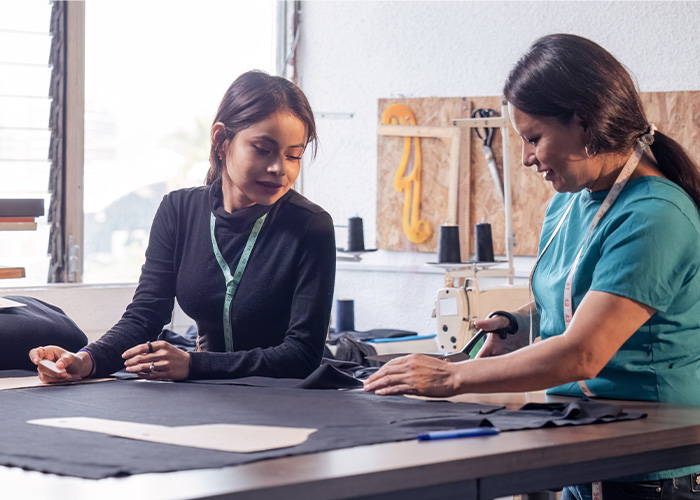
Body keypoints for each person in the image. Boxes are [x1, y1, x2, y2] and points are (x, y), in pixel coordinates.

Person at [364, 34, 700, 499]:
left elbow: (583, 352)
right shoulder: (568, 205)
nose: (525, 158)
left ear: (586, 121)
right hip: (583, 444)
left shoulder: (656, 215)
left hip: (647, 467)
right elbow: (576, 297)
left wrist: (451, 376)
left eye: (534, 138)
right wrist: (520, 321)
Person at [30, 70, 336, 383]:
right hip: (206, 393)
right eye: (262, 149)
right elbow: (145, 316)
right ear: (220, 140)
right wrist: (85, 360)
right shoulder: (178, 210)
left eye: (293, 155)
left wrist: (195, 365)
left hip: (287, 396)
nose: (278, 168)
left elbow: (303, 355)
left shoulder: (311, 227)